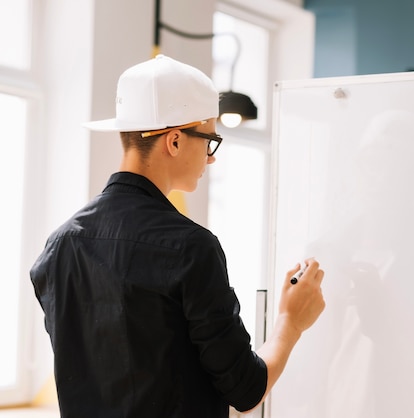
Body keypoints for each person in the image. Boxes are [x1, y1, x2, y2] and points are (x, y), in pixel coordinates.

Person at [29, 54, 325, 418]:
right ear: (174, 141)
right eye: (210, 141)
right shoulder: (191, 248)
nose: (211, 158)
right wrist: (290, 321)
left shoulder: (60, 245)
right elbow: (246, 390)